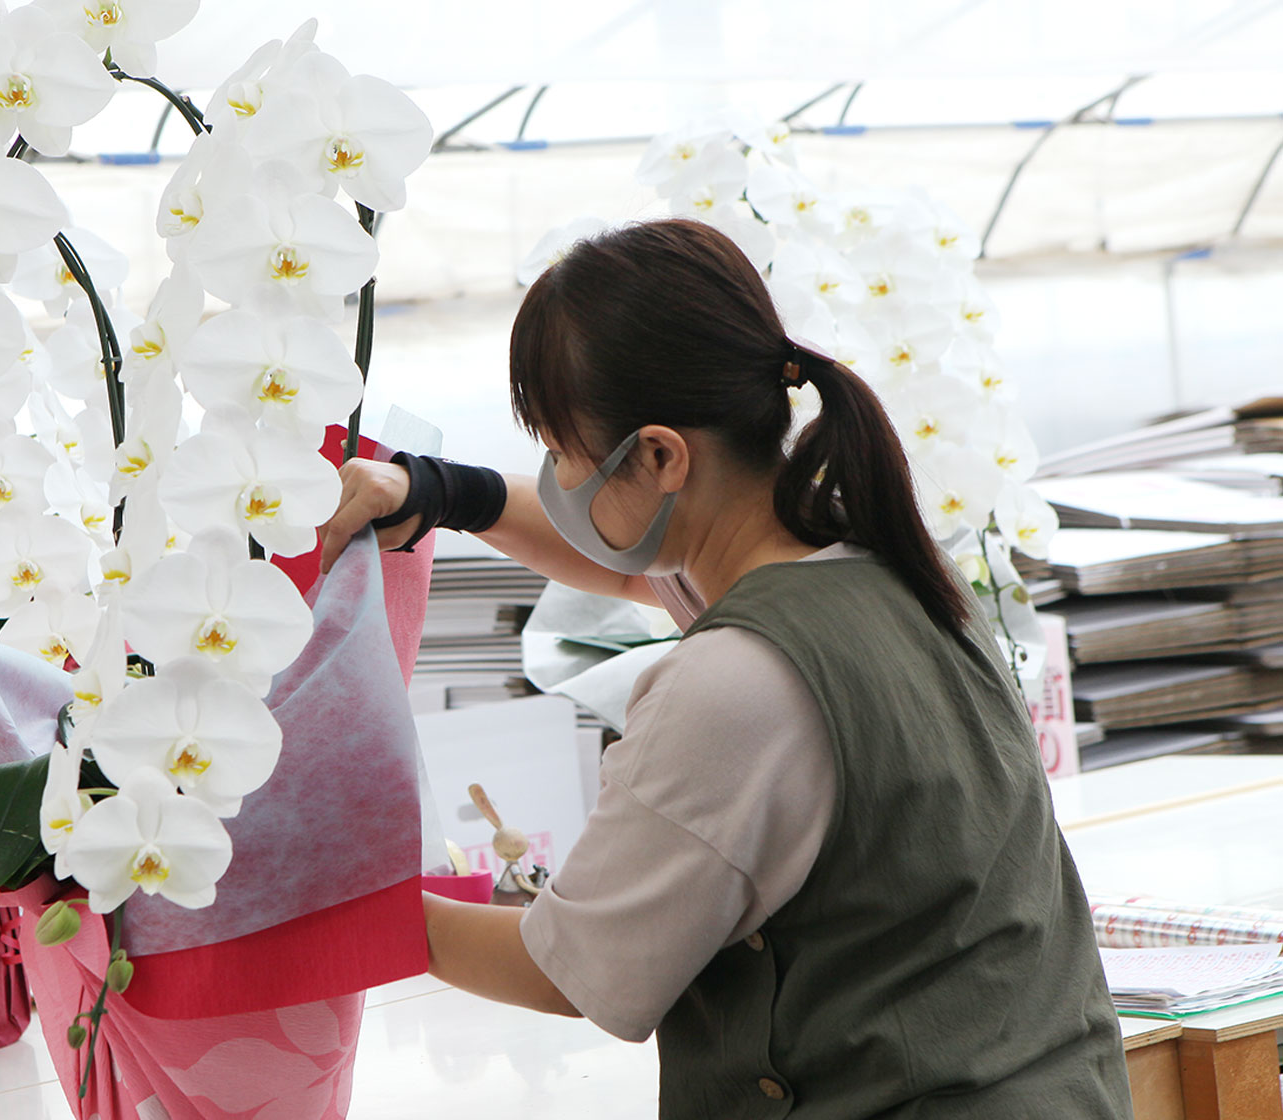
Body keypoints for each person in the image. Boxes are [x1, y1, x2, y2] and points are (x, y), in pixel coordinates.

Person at [316, 219, 1133, 1118]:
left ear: (661, 455)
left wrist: (342, 904)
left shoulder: (734, 684)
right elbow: (634, 565)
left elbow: (570, 966)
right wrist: (440, 492)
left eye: (560, 453)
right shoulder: (888, 567)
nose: (551, 477)